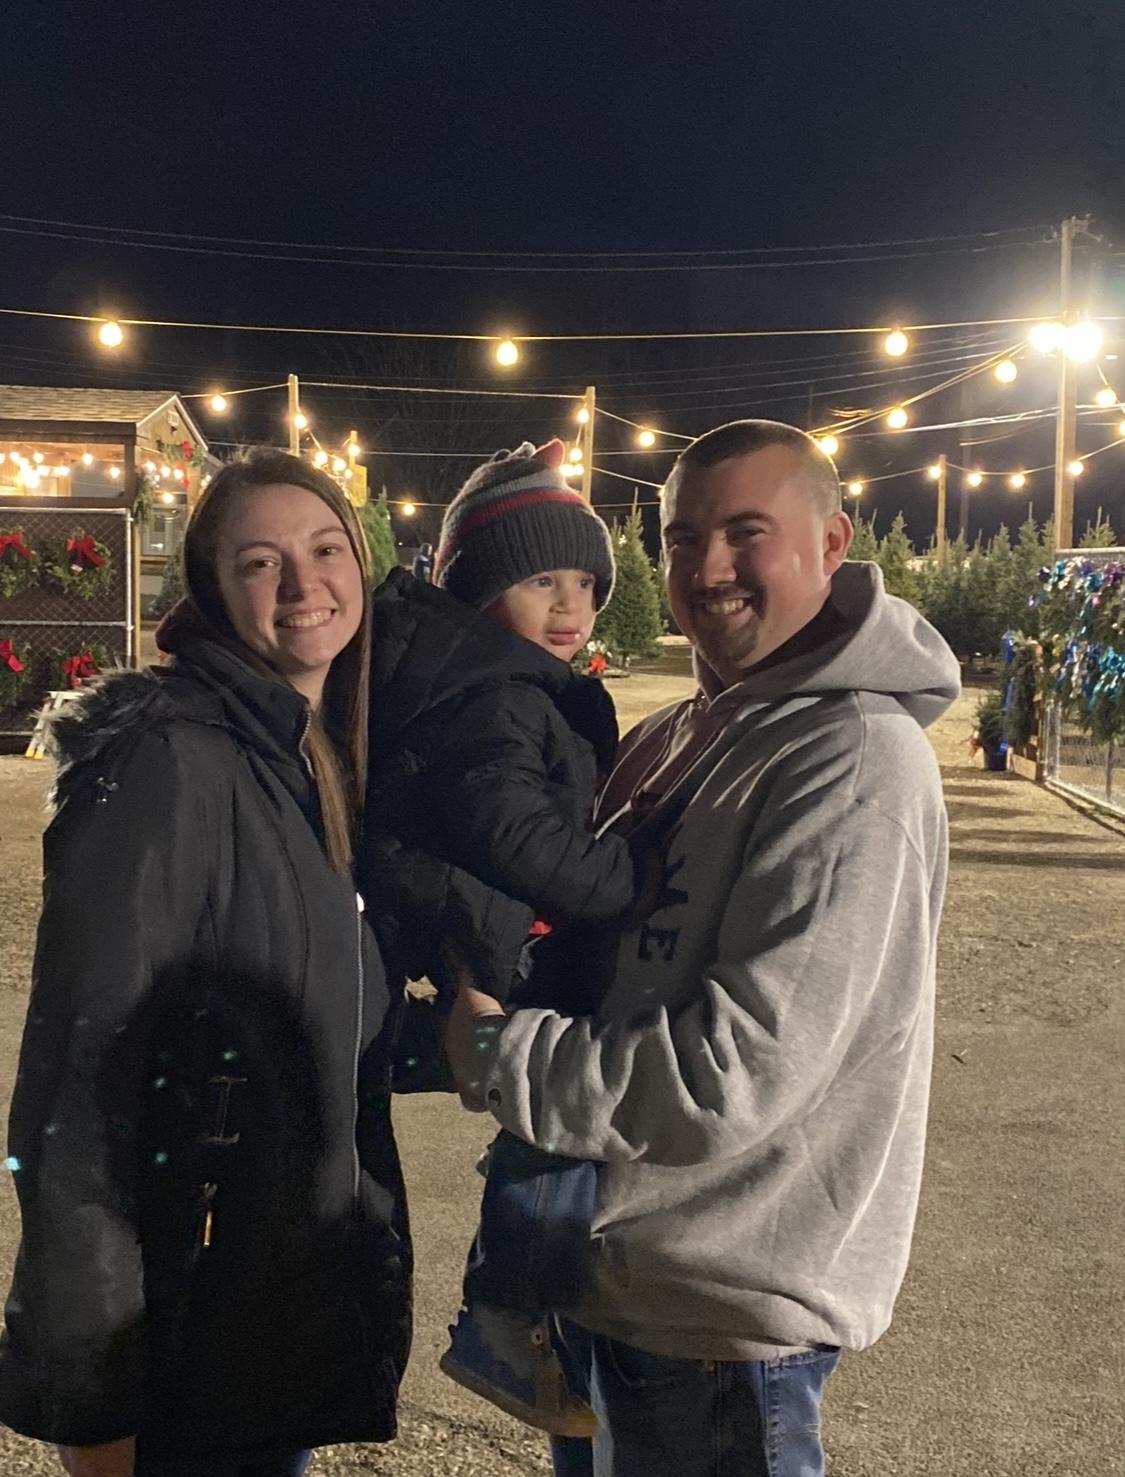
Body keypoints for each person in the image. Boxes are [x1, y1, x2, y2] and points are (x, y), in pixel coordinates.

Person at [445, 419, 961, 1477]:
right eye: (684, 538)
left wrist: (496, 1054)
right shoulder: (669, 736)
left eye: (745, 533)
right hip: (615, 1287)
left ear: (831, 542)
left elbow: (733, 1071)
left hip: (723, 1327)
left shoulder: (855, 760)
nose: (708, 567)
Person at [0, 450, 412, 1477]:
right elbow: (79, 1084)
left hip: (266, 1320)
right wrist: (96, 1393)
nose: (303, 583)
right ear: (214, 590)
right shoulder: (172, 759)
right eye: (260, 562)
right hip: (188, 1338)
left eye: (325, 549)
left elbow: (309, 1026)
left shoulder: (301, 757)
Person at [359, 438, 656, 1435]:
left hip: (491, 939)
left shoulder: (507, 679)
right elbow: (512, 829)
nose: (572, 606)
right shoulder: (495, 695)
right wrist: (627, 880)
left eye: (586, 584)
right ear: (482, 589)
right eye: (541, 581)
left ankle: (519, 1295)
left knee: (544, 1112)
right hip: (497, 944)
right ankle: (502, 1311)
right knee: (554, 1114)